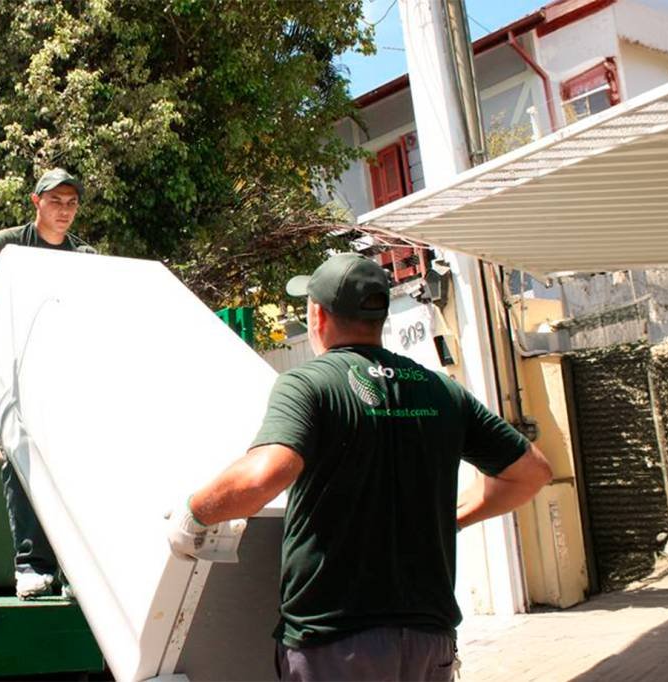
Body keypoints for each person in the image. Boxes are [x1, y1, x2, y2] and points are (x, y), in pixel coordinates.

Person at [168, 252, 552, 681]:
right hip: (430, 636)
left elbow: (265, 474)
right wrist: (456, 518)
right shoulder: (440, 390)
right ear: (379, 316)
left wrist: (194, 513)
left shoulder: (310, 383)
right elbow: (532, 473)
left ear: (317, 314)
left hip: (337, 639)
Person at [0, 167, 92, 600]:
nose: (64, 211)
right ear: (36, 202)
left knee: (71, 463)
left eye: (71, 203)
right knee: (19, 458)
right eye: (55, 202)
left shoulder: (85, 255)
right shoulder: (8, 245)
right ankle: (31, 566)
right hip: (15, 372)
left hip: (64, 377)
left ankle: (72, 572)